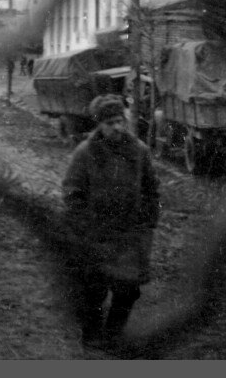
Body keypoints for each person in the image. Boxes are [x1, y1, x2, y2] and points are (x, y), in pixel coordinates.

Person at [62, 94, 160, 349]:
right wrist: (83, 227)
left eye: (120, 121)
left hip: (130, 234)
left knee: (128, 289)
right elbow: (72, 193)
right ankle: (92, 336)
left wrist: (147, 223)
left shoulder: (139, 151)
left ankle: (114, 335)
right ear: (99, 125)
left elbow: (151, 190)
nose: (117, 127)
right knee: (94, 288)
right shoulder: (85, 153)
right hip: (97, 234)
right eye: (110, 123)